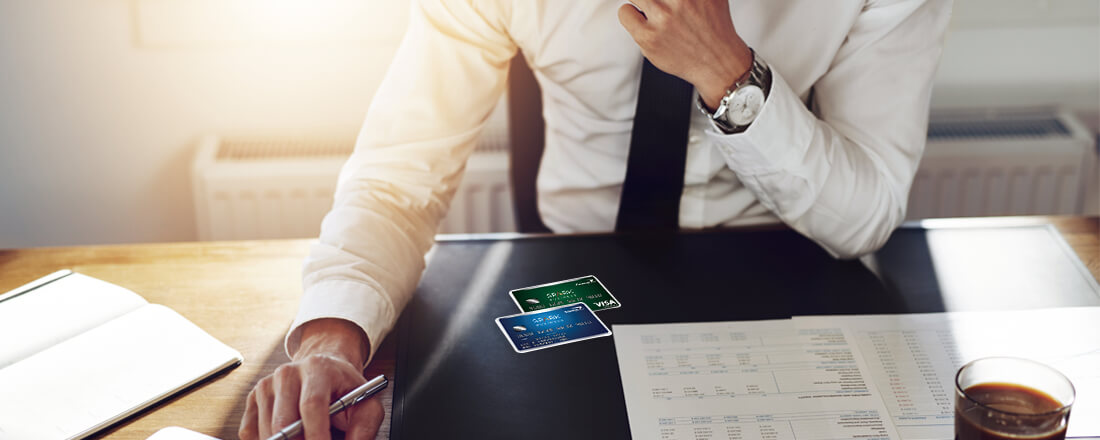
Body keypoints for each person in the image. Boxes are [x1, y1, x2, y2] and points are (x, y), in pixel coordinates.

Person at [238, 0, 952, 438]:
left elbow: (867, 213)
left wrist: (731, 76)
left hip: (783, 278)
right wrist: (332, 337)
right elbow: (399, 175)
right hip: (571, 276)